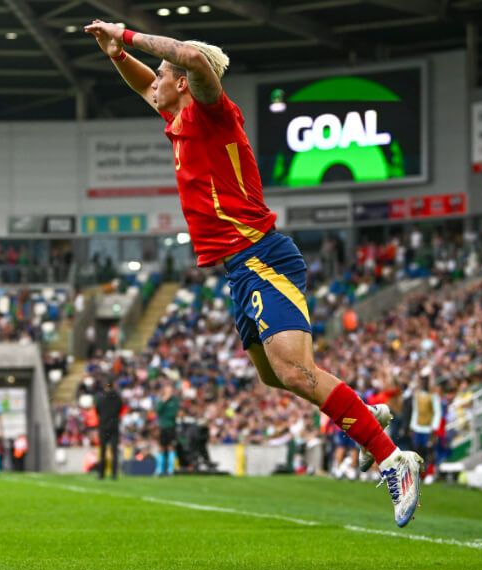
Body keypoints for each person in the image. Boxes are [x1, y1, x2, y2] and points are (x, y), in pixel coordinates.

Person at [84, 20, 423, 526]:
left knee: (294, 371)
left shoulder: (213, 113)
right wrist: (116, 55)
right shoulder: (177, 116)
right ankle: (361, 417)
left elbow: (192, 61)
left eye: (160, 73)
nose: (151, 80)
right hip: (239, 267)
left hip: (261, 254)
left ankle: (393, 458)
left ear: (180, 83)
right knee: (273, 375)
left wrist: (127, 34)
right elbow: (149, 83)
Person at [96, 380, 122, 480]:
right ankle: (114, 474)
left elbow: (97, 410)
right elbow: (120, 409)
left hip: (103, 427)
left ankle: (101, 474)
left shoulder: (101, 398)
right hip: (114, 426)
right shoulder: (117, 398)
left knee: (103, 451)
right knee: (114, 451)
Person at [154, 384, 178, 476]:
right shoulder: (162, 400)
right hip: (162, 427)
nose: (169, 393)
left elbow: (173, 413)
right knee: (161, 447)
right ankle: (159, 469)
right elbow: (158, 410)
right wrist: (164, 401)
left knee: (171, 447)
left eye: (170, 391)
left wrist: (165, 415)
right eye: (167, 391)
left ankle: (170, 469)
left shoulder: (174, 401)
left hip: (171, 427)